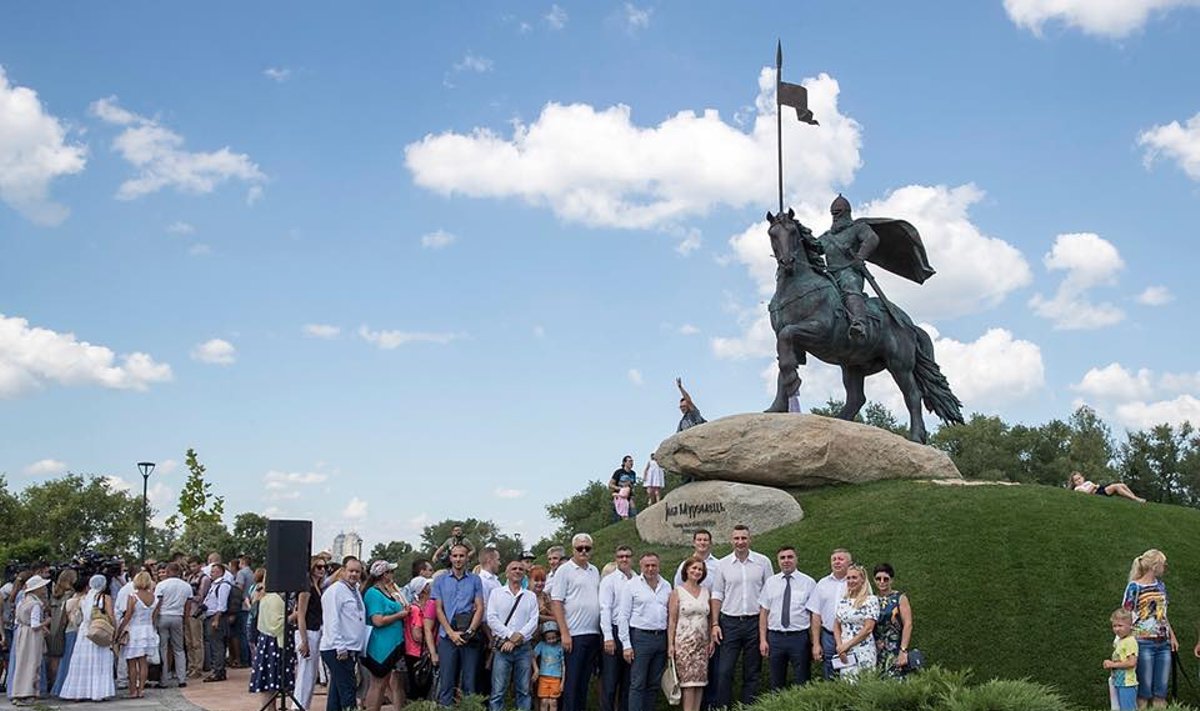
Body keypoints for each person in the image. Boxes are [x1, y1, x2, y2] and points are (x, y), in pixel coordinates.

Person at [709, 524, 773, 709]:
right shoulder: (723, 564)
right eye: (736, 538)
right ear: (731, 540)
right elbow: (717, 594)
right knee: (724, 670)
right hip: (730, 623)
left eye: (744, 538)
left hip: (755, 622)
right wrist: (715, 623)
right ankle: (723, 707)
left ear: (750, 539)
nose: (740, 542)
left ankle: (747, 706)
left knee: (752, 670)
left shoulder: (763, 562)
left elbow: (770, 592)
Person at [816, 194, 879, 341]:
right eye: (833, 214)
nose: (835, 217)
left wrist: (860, 256)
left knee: (848, 285)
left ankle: (859, 323)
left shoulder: (858, 228)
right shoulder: (826, 237)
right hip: (830, 274)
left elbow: (872, 239)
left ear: (846, 212)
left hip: (849, 271)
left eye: (838, 213)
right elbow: (813, 247)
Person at [551, 533, 602, 711]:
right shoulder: (564, 571)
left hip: (593, 633)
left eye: (587, 548)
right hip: (574, 634)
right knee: (572, 683)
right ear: (573, 549)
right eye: (579, 548)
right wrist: (564, 632)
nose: (583, 551)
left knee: (584, 682)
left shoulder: (594, 570)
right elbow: (556, 602)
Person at [432, 544, 485, 706]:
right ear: (450, 558)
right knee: (447, 682)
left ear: (467, 558)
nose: (458, 559)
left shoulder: (475, 580)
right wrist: (450, 633)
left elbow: (480, 607)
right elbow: (438, 609)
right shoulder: (440, 580)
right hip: (447, 635)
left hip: (468, 633)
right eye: (455, 556)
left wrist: (470, 631)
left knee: (469, 683)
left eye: (461, 556)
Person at [618, 553, 671, 711]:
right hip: (641, 638)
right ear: (641, 567)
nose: (650, 569)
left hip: (661, 638)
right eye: (647, 565)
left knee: (654, 684)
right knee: (638, 683)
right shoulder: (632, 585)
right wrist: (626, 645)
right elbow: (623, 616)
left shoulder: (666, 585)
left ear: (658, 566)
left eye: (653, 565)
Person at [1124, 549, 1176, 707]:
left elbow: (1163, 615)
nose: (1165, 567)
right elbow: (1126, 615)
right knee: (1144, 692)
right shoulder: (1134, 587)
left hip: (1163, 642)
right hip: (1143, 642)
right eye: (1163, 564)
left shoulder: (1161, 586)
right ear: (1155, 566)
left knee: (1161, 691)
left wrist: (1172, 637)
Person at [758, 546, 816, 690]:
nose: (786, 561)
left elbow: (814, 615)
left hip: (799, 638)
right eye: (782, 558)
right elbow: (764, 613)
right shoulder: (771, 583)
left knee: (803, 680)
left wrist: (815, 643)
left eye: (790, 557)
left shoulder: (808, 583)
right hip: (775, 638)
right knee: (776, 682)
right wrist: (763, 640)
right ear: (778, 561)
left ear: (796, 559)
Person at [487, 559, 539, 711]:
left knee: (524, 690)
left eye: (520, 569)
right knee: (498, 691)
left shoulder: (530, 596)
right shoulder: (496, 594)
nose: (517, 571)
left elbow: (533, 620)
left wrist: (519, 637)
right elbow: (491, 618)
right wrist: (510, 635)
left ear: (524, 574)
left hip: (524, 648)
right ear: (507, 573)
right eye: (514, 568)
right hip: (503, 648)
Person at [58, 574, 116, 701]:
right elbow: (110, 615)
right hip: (98, 630)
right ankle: (98, 692)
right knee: (99, 660)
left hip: (85, 631)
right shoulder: (105, 597)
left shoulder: (83, 598)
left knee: (81, 661)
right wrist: (114, 628)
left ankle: (79, 692)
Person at [319, 556, 367, 711]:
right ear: (343, 571)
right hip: (338, 648)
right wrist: (340, 645)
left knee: (337, 692)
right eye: (351, 570)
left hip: (351, 647)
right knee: (348, 690)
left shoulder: (354, 591)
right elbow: (332, 620)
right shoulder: (335, 591)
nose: (354, 574)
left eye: (357, 571)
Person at [363, 561, 407, 711]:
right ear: (384, 575)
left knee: (384, 682)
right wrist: (399, 615)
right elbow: (378, 621)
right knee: (378, 683)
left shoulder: (388, 592)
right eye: (390, 572)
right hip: (380, 645)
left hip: (393, 644)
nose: (392, 575)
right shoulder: (373, 593)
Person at [668, 556, 711, 711]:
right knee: (688, 685)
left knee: (700, 684)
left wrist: (711, 641)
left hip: (702, 645)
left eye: (700, 569)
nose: (696, 571)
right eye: (693, 568)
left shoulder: (706, 592)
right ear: (686, 570)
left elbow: (710, 617)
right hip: (684, 644)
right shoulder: (677, 592)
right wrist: (670, 645)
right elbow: (672, 621)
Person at [806, 548, 851, 680]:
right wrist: (816, 643)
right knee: (830, 671)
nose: (837, 562)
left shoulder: (857, 582)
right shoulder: (822, 584)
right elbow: (816, 615)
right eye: (834, 559)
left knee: (852, 670)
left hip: (851, 636)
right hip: (828, 636)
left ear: (849, 563)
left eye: (841, 559)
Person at [599, 546, 634, 711]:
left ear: (632, 558)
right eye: (621, 556)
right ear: (616, 558)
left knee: (628, 681)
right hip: (612, 631)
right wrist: (608, 636)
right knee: (610, 681)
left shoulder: (637, 579)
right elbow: (605, 608)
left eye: (627, 556)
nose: (624, 559)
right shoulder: (609, 580)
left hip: (632, 632)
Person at [248, 582, 292, 710]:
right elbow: (276, 624)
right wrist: (293, 616)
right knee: (270, 677)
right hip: (273, 642)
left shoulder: (265, 597)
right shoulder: (274, 599)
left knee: (268, 678)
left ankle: (269, 707)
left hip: (267, 641)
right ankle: (269, 708)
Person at [833, 565, 878, 678]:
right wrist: (840, 646)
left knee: (864, 684)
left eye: (854, 578)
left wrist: (847, 645)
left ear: (862, 579)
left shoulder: (870, 600)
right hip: (845, 653)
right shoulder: (843, 601)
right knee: (847, 684)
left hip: (864, 650)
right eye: (848, 578)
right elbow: (836, 625)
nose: (851, 581)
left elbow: (868, 628)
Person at [10, 575, 50, 703]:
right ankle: (29, 693)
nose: (44, 589)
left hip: (22, 632)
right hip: (32, 636)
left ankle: (18, 691)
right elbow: (34, 625)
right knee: (32, 662)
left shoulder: (22, 602)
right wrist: (46, 622)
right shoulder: (35, 604)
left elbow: (18, 620)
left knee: (22, 663)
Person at [294, 556, 325, 711]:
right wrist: (304, 640)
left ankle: (303, 705)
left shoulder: (317, 587)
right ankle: (298, 706)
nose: (322, 570)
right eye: (318, 567)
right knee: (305, 673)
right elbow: (301, 615)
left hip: (315, 631)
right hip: (308, 632)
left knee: (311, 674)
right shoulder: (306, 589)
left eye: (324, 567)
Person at [155, 562, 192, 689]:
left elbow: (158, 603)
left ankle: (164, 679)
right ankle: (182, 678)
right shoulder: (186, 586)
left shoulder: (161, 585)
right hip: (178, 616)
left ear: (168, 571)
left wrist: (153, 619)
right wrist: (186, 621)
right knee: (179, 649)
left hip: (163, 616)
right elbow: (188, 606)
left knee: (163, 648)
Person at [871, 563, 912, 675]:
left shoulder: (900, 598)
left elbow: (908, 624)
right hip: (876, 648)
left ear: (891, 580)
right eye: (878, 579)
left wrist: (903, 650)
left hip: (895, 647)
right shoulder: (872, 600)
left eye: (886, 579)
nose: (882, 582)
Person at [51, 576, 85, 696]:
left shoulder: (68, 600)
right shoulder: (83, 600)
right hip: (77, 631)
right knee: (74, 660)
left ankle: (60, 687)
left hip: (68, 630)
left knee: (66, 660)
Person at [404, 576, 436, 701]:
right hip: (416, 653)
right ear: (423, 590)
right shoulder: (417, 610)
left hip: (413, 651)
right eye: (428, 586)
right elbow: (417, 634)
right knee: (419, 686)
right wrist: (429, 641)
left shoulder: (415, 607)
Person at [45, 569, 76, 690]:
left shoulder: (54, 594)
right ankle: (61, 685)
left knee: (54, 658)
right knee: (64, 657)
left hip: (53, 627)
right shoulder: (70, 595)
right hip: (64, 627)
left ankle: (53, 684)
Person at [202, 562, 232, 682]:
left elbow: (222, 604)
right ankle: (218, 670)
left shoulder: (223, 585)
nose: (211, 574)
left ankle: (218, 671)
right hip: (211, 616)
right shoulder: (215, 585)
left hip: (216, 617)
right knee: (215, 644)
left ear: (220, 572)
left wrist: (216, 619)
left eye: (213, 571)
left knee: (217, 645)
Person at [1108, 608, 1139, 711]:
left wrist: (1112, 665)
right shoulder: (1121, 641)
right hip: (1119, 682)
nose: (1117, 629)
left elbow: (1132, 662)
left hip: (1127, 683)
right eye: (1114, 626)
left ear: (1130, 626)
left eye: (1120, 625)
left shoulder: (1130, 641)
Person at [533, 621, 565, 711]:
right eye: (549, 638)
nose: (552, 640)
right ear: (544, 638)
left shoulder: (560, 647)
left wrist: (563, 681)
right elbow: (533, 656)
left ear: (558, 636)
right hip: (543, 677)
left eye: (554, 638)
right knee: (544, 701)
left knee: (553, 702)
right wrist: (536, 669)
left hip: (556, 678)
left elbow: (563, 665)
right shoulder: (542, 645)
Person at [1069, 472, 1146, 503]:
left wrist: (1095, 486)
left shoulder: (1088, 482)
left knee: (1121, 485)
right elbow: (1086, 494)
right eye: (1076, 480)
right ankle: (1136, 499)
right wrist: (1093, 487)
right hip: (1097, 493)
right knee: (1116, 487)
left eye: (1079, 478)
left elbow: (1095, 486)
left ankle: (1134, 497)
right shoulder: (1077, 488)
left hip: (1100, 489)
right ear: (1074, 483)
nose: (1078, 481)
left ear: (1082, 477)